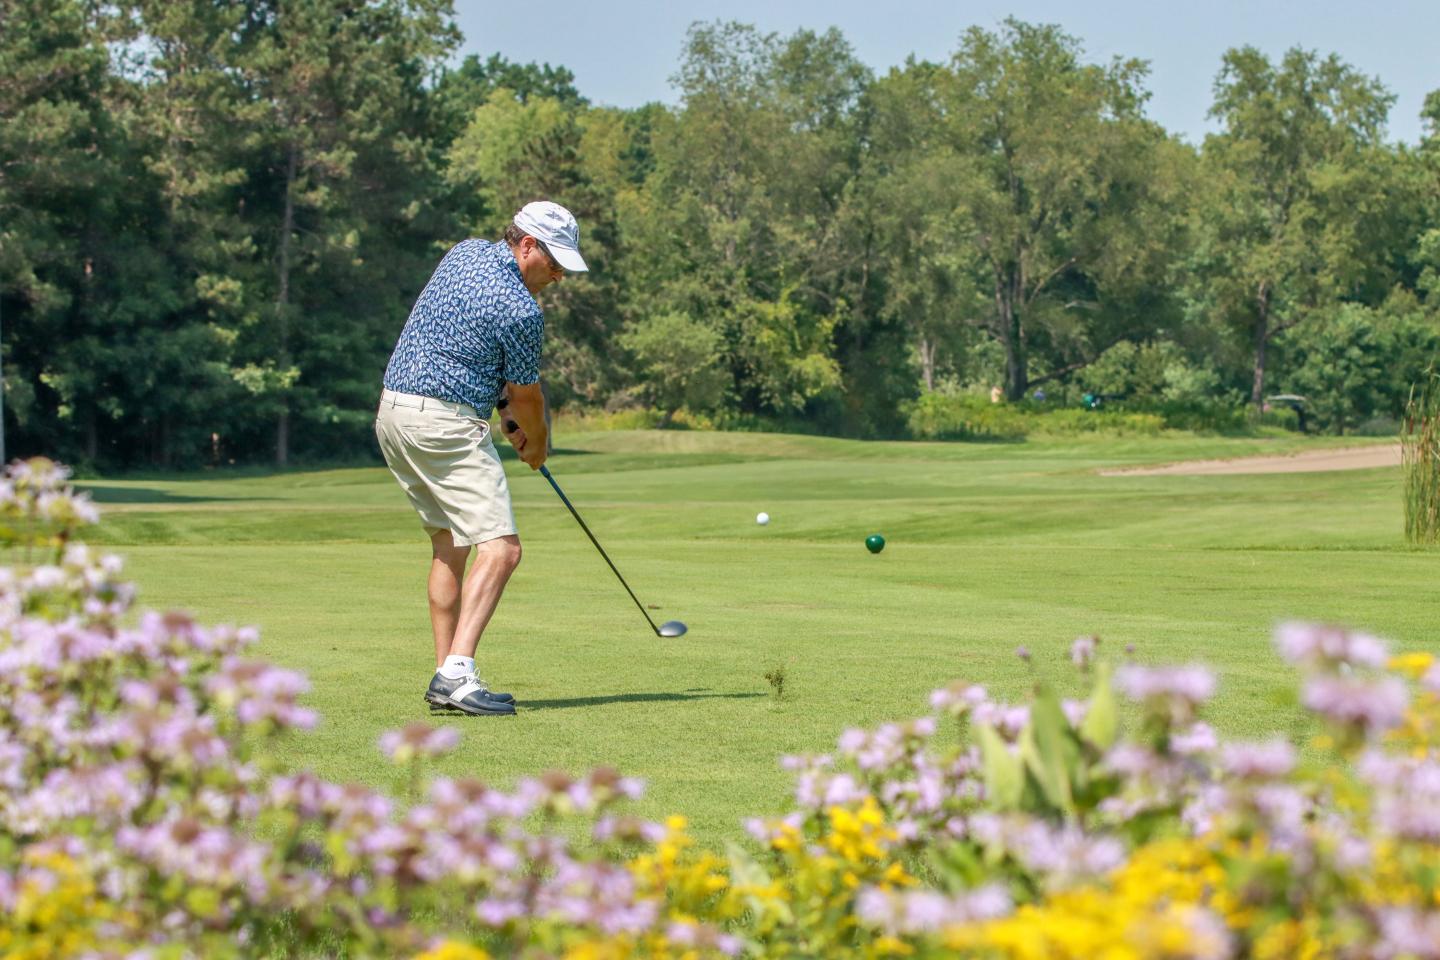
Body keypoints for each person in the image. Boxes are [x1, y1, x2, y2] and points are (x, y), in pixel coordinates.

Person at [374, 201, 588, 717]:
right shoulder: (521, 310)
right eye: (554, 262)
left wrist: (503, 411)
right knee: (503, 549)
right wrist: (535, 444)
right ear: (527, 245)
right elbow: (528, 398)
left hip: (394, 414)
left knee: (450, 545)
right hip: (443, 424)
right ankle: (457, 673)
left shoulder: (464, 253)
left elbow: (461, 344)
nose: (558, 276)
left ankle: (445, 673)